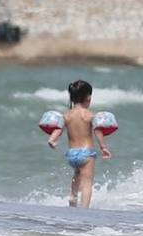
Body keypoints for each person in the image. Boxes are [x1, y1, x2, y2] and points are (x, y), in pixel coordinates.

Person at [46, 78, 111, 209]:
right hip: (86, 154)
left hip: (72, 154)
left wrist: (52, 140)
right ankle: (84, 211)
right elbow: (97, 131)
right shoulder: (89, 115)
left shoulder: (66, 115)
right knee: (87, 184)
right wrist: (103, 147)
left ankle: (72, 199)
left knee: (77, 176)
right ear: (88, 98)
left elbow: (58, 129)